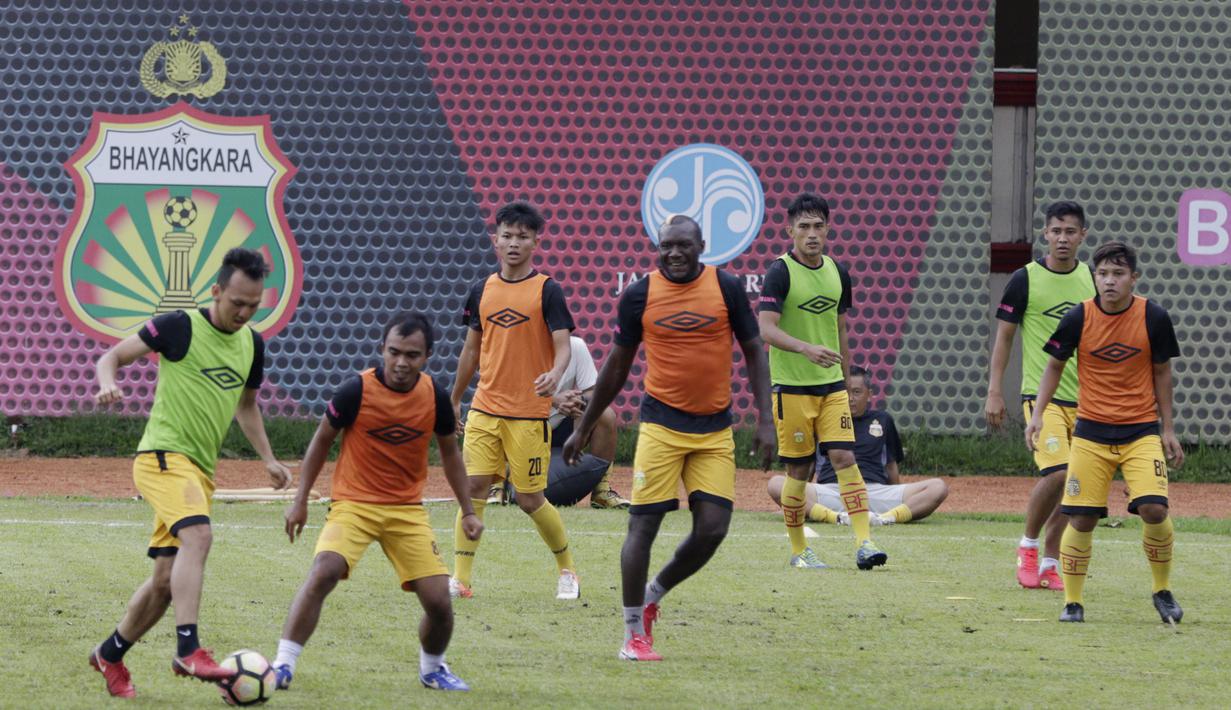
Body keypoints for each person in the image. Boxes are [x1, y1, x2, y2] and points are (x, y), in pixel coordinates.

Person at [563, 214, 775, 662]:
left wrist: (766, 419)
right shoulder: (640, 294)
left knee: (713, 529)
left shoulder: (727, 288)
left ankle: (655, 592)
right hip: (660, 427)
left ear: (702, 244)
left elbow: (754, 349)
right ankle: (632, 633)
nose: (674, 253)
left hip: (714, 430)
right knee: (644, 526)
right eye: (666, 246)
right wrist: (584, 426)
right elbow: (617, 367)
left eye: (683, 245)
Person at [88, 248, 292, 698]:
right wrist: (108, 382)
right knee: (199, 537)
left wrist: (269, 459)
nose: (243, 312)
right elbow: (112, 357)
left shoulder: (252, 344)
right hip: (162, 457)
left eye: (253, 306)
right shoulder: (180, 325)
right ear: (216, 291)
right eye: (236, 302)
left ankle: (110, 654)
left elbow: (246, 405)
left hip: (198, 472)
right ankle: (189, 649)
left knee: (164, 583)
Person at [273, 313, 482, 692]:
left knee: (439, 602)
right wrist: (300, 500)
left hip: (406, 510)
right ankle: (283, 664)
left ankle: (432, 669)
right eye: (394, 352)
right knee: (324, 571)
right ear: (382, 350)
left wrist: (468, 510)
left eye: (412, 355)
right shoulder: (355, 391)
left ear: (428, 356)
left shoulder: (434, 396)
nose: (401, 363)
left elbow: (451, 455)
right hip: (354, 504)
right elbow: (321, 441)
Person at [1026, 241, 1184, 624]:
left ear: (1134, 278)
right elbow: (1053, 367)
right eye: (1103, 274)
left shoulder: (1154, 317)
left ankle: (1162, 590)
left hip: (1141, 432)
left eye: (1118, 274)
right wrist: (1038, 414)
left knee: (1154, 508)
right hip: (1090, 435)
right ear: (1094, 277)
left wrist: (1168, 428)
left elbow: (1162, 372)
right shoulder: (1079, 317)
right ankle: (1073, 602)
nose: (1109, 281)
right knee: (1081, 518)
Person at [449, 201, 579, 600]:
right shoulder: (481, 290)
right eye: (507, 235)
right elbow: (471, 352)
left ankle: (567, 570)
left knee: (528, 499)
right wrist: (454, 400)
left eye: (522, 236)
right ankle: (461, 579)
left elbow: (563, 346)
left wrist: (555, 375)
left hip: (528, 414)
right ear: (495, 240)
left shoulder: (547, 290)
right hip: (485, 407)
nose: (513, 243)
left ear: (536, 242)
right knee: (473, 486)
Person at [757, 192, 887, 570]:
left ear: (828, 229)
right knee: (799, 471)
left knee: (846, 458)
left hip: (831, 387)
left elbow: (840, 329)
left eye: (818, 226)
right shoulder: (779, 272)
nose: (811, 234)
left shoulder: (838, 273)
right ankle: (800, 550)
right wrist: (805, 348)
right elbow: (766, 329)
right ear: (790, 230)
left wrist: (846, 381)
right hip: (793, 387)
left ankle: (865, 543)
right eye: (804, 227)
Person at [987, 201, 1096, 590]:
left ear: (1083, 235)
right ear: (1045, 234)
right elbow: (1004, 338)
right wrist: (995, 391)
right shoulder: (1025, 278)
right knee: (1059, 471)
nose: (1062, 238)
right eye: (1055, 231)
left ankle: (1050, 562)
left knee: (1076, 483)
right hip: (1042, 397)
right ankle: (1027, 545)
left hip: (1088, 402)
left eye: (1070, 231)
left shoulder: (1095, 279)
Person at [766, 366, 948, 524]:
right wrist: (795, 501)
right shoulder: (822, 420)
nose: (850, 398)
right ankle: (835, 518)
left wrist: (896, 496)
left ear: (870, 393)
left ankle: (886, 518)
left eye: (857, 392)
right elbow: (809, 467)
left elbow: (891, 467)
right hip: (832, 492)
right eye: (845, 392)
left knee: (938, 487)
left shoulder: (883, 420)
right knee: (776, 484)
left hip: (874, 492)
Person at [543, 335, 628, 509]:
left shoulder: (576, 346)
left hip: (560, 425)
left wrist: (576, 400)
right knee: (499, 414)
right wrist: (553, 400)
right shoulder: (520, 346)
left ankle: (601, 491)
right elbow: (509, 393)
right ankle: (496, 485)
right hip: (525, 423)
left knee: (604, 414)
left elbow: (591, 392)